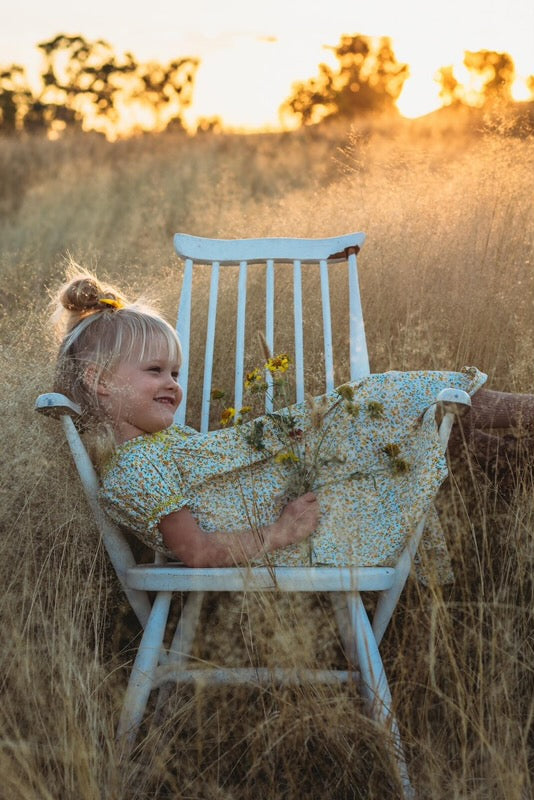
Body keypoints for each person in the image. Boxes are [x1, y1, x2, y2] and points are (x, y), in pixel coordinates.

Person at [51, 271, 533, 575]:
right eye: (154, 371)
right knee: (399, 407)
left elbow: (230, 469)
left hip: (301, 477)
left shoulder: (161, 446)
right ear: (100, 381)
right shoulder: (133, 471)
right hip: (301, 521)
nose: (173, 384)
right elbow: (196, 551)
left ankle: (520, 446)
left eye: (174, 372)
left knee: (430, 422)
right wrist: (280, 532)